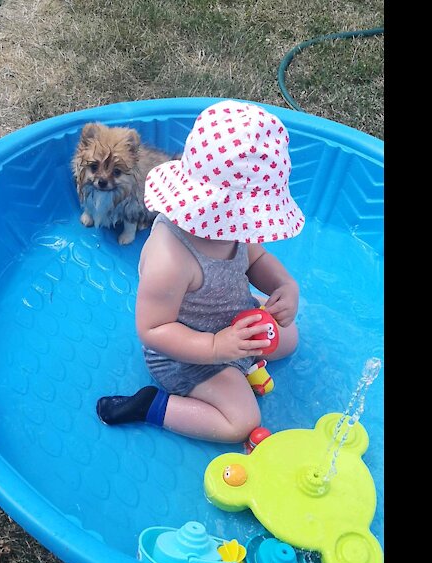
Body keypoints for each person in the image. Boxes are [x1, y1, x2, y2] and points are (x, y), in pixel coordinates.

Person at [95, 100, 306, 445]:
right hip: (186, 352)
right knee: (241, 420)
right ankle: (153, 406)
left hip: (232, 322)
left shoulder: (236, 225)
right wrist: (214, 347)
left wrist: (284, 286)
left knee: (290, 336)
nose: (248, 226)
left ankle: (245, 363)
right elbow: (153, 329)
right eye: (246, 214)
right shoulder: (171, 257)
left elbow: (255, 260)